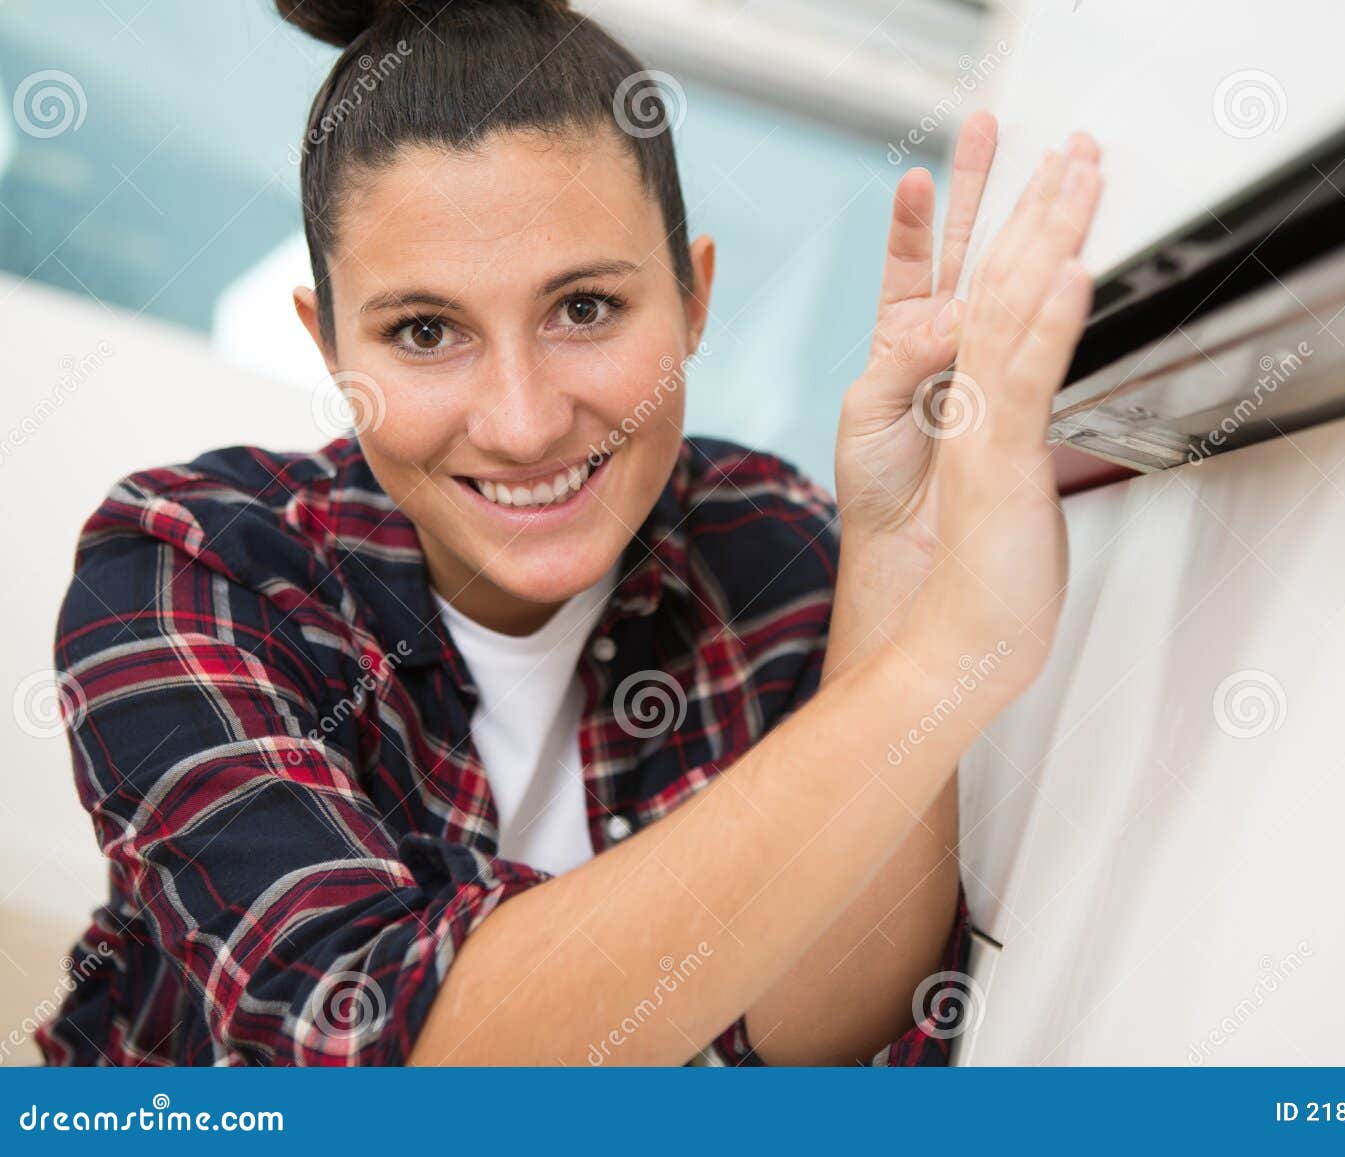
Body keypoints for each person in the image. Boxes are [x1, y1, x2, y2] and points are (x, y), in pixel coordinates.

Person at [38, 0, 1101, 1066]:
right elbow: (380, 1066)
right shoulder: (188, 568)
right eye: (424, 331)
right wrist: (940, 662)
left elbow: (822, 1045)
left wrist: (898, 565)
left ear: (693, 298)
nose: (523, 420)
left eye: (584, 308)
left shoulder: (777, 553)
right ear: (328, 344)